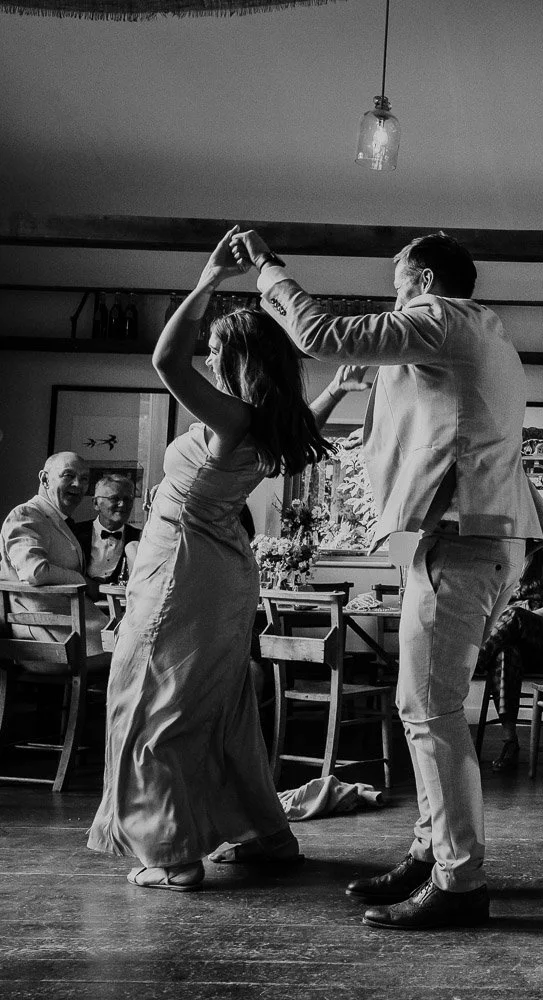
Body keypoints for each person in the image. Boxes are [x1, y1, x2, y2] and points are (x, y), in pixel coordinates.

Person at [231, 228, 543, 931]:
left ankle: (460, 881)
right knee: (426, 710)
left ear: (425, 279)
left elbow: (319, 332)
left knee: (430, 713)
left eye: (398, 277)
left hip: (458, 544)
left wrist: (268, 271)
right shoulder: (486, 333)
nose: (394, 290)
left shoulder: (442, 319)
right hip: (466, 541)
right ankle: (430, 849)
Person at [87, 228, 328, 891]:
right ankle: (262, 838)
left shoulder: (235, 420)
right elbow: (306, 427)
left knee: (153, 702)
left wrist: (210, 277)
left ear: (241, 358)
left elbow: (166, 360)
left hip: (187, 576)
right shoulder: (271, 422)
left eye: (219, 346)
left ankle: (171, 855)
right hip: (219, 572)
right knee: (218, 707)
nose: (210, 353)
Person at [473, 543, 543, 770]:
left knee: (513, 615)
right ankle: (510, 741)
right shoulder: (502, 564)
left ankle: (474, 664)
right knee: (504, 654)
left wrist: (519, 618)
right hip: (513, 644)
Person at [1, 451, 108, 660]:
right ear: (44, 479)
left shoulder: (56, 520)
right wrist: (82, 581)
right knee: (141, 653)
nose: (78, 485)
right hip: (48, 633)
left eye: (84, 479)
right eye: (68, 476)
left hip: (71, 627)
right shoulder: (25, 514)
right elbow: (35, 572)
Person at [71, 473, 141, 587]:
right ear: (96, 503)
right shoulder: (74, 533)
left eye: (128, 499)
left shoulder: (140, 538)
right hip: (80, 602)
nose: (122, 504)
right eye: (114, 498)